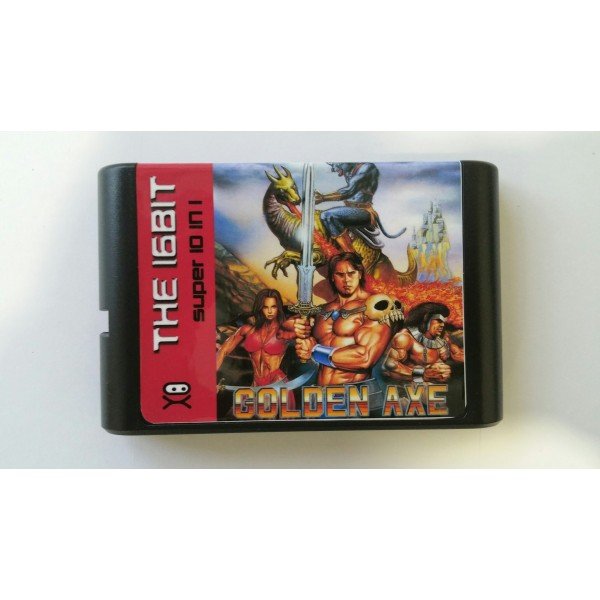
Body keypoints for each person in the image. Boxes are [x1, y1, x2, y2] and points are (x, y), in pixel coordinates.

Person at [294, 253, 401, 413]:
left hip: (356, 394)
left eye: (351, 273)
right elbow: (309, 350)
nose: (346, 280)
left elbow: (365, 357)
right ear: (332, 277)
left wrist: (315, 351)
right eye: (340, 274)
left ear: (360, 274)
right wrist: (303, 344)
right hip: (320, 394)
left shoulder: (377, 306)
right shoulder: (323, 311)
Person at [217, 289, 296, 404]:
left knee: (284, 416)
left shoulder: (284, 331)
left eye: (273, 307)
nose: (270, 311)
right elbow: (223, 350)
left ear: (278, 308)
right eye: (265, 307)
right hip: (256, 383)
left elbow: (305, 336)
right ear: (260, 308)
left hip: (277, 382)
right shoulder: (246, 330)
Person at [316, 162, 405, 253]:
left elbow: (349, 191)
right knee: (321, 217)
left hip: (363, 212)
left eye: (335, 164)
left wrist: (323, 198)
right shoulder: (349, 170)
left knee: (327, 215)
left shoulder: (368, 168)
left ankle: (351, 254)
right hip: (351, 210)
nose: (333, 169)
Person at [382, 302, 464, 383]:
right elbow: (390, 365)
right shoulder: (404, 338)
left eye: (443, 321)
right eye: (439, 320)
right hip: (410, 381)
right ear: (426, 319)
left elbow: (458, 354)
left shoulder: (442, 336)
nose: (442, 325)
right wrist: (422, 374)